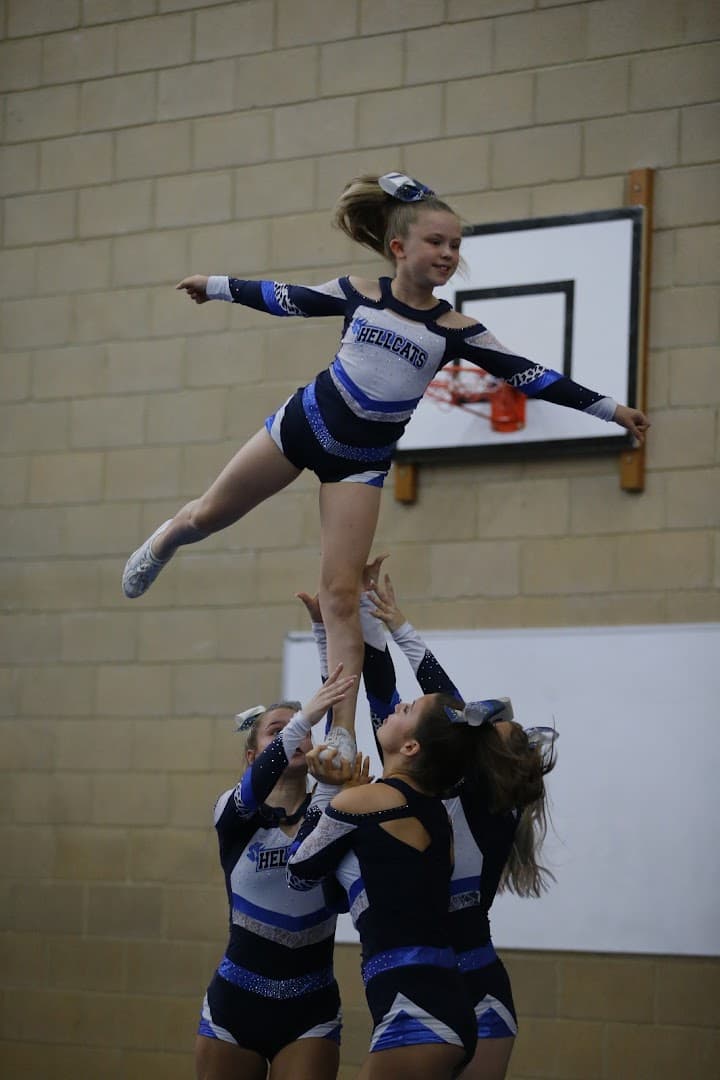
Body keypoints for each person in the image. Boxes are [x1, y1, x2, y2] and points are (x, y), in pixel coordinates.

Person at [122, 170, 649, 764]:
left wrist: (610, 409)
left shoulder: (456, 329)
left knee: (341, 597)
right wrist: (215, 286)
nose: (449, 254)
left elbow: (530, 375)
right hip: (303, 425)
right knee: (210, 514)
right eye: (436, 243)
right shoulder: (359, 292)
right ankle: (167, 538)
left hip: (362, 463)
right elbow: (287, 298)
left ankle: (341, 732)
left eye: (455, 246)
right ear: (399, 247)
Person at [361, 571, 557, 1080]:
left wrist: (401, 629)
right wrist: (369, 622)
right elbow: (386, 704)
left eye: (485, 728)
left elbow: (448, 710)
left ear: (489, 754)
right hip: (434, 985)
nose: (470, 723)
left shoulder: (490, 807)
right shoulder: (433, 787)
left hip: (476, 992)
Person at [286, 684, 482, 1080]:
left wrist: (326, 789)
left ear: (410, 747)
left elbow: (297, 872)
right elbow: (340, 896)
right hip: (444, 1003)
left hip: (415, 1010)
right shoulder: (435, 813)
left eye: (407, 709)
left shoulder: (362, 801)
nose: (398, 706)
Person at [194, 663, 357, 1080]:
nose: (295, 736)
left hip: (310, 1008)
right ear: (254, 755)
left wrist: (329, 635)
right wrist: (304, 716)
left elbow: (344, 713)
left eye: (302, 730)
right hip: (235, 1004)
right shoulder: (233, 812)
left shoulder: (333, 810)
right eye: (277, 730)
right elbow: (250, 792)